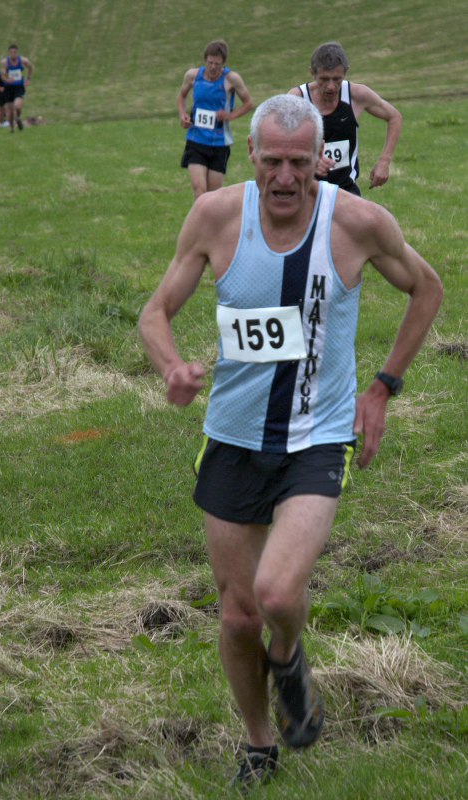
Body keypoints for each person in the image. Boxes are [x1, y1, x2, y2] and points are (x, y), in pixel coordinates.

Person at [138, 94, 442, 790]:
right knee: (237, 612)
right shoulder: (215, 217)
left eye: (299, 163)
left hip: (317, 438)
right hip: (232, 438)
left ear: (320, 161)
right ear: (250, 155)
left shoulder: (357, 223)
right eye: (271, 161)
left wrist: (381, 388)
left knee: (275, 596)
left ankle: (289, 655)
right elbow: (155, 311)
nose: (284, 177)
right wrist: (171, 366)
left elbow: (426, 289)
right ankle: (257, 741)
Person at [288, 42, 402, 195]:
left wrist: (384, 161)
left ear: (345, 72)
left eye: (337, 79)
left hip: (346, 190)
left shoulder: (356, 95)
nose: (331, 86)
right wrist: (310, 159)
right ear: (312, 73)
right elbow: (280, 138)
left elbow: (394, 116)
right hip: (305, 189)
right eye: (324, 79)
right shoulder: (297, 99)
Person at [177, 40, 253, 199]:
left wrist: (229, 116)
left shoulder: (231, 79)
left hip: (219, 143)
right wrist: (183, 115)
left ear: (223, 63)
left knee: (213, 196)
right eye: (210, 63)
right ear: (205, 60)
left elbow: (248, 103)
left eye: (217, 64)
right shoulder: (193, 76)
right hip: (196, 140)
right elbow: (182, 96)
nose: (212, 67)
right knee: (199, 191)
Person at [1, 44, 33, 132]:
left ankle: (17, 118)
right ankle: (12, 128)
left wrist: (28, 78)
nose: (13, 54)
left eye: (14, 52)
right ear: (9, 53)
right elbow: (3, 76)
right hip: (8, 88)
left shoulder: (23, 60)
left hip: (19, 87)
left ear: (17, 52)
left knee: (17, 106)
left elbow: (30, 67)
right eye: (11, 52)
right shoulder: (5, 62)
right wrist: (7, 80)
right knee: (10, 111)